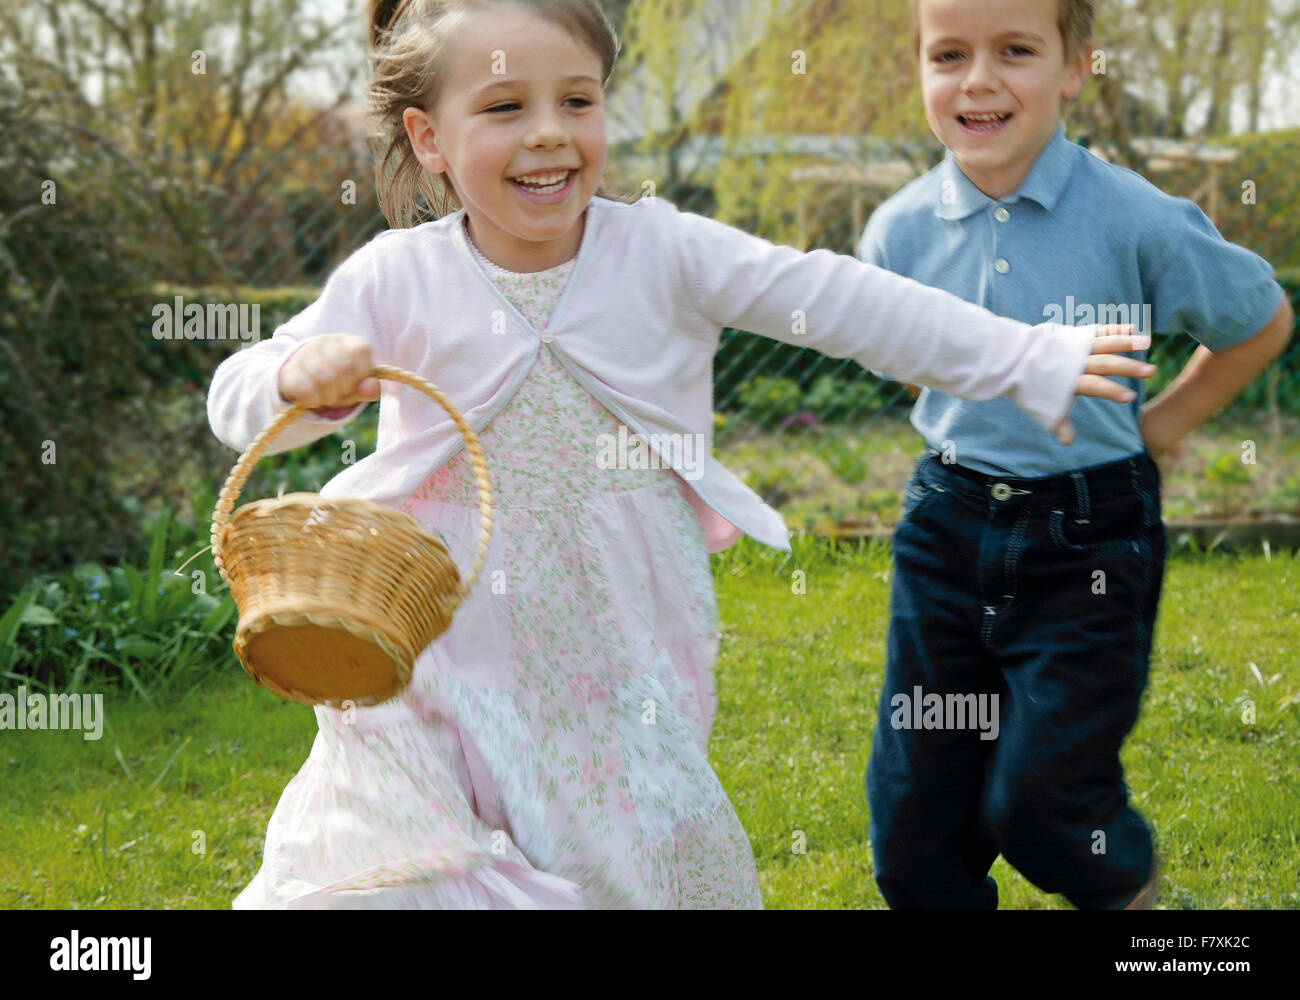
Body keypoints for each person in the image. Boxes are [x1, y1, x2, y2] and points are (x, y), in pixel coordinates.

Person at [207, 0, 1151, 909]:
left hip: (617, 644)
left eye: (577, 101)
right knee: (414, 856)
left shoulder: (660, 251)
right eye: (504, 107)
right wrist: (298, 380)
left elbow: (840, 300)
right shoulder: (396, 276)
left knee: (621, 854)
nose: (549, 133)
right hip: (441, 645)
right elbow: (238, 397)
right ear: (427, 139)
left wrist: (1024, 355)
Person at [860, 0, 1293, 910]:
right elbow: (907, 362)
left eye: (1014, 50)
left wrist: (1162, 427)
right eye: (949, 54)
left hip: (1091, 537)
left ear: (1074, 67)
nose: (978, 79)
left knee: (1047, 803)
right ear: (920, 70)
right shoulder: (895, 235)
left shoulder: (1135, 216)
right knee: (912, 835)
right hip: (947, 528)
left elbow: (1259, 321)